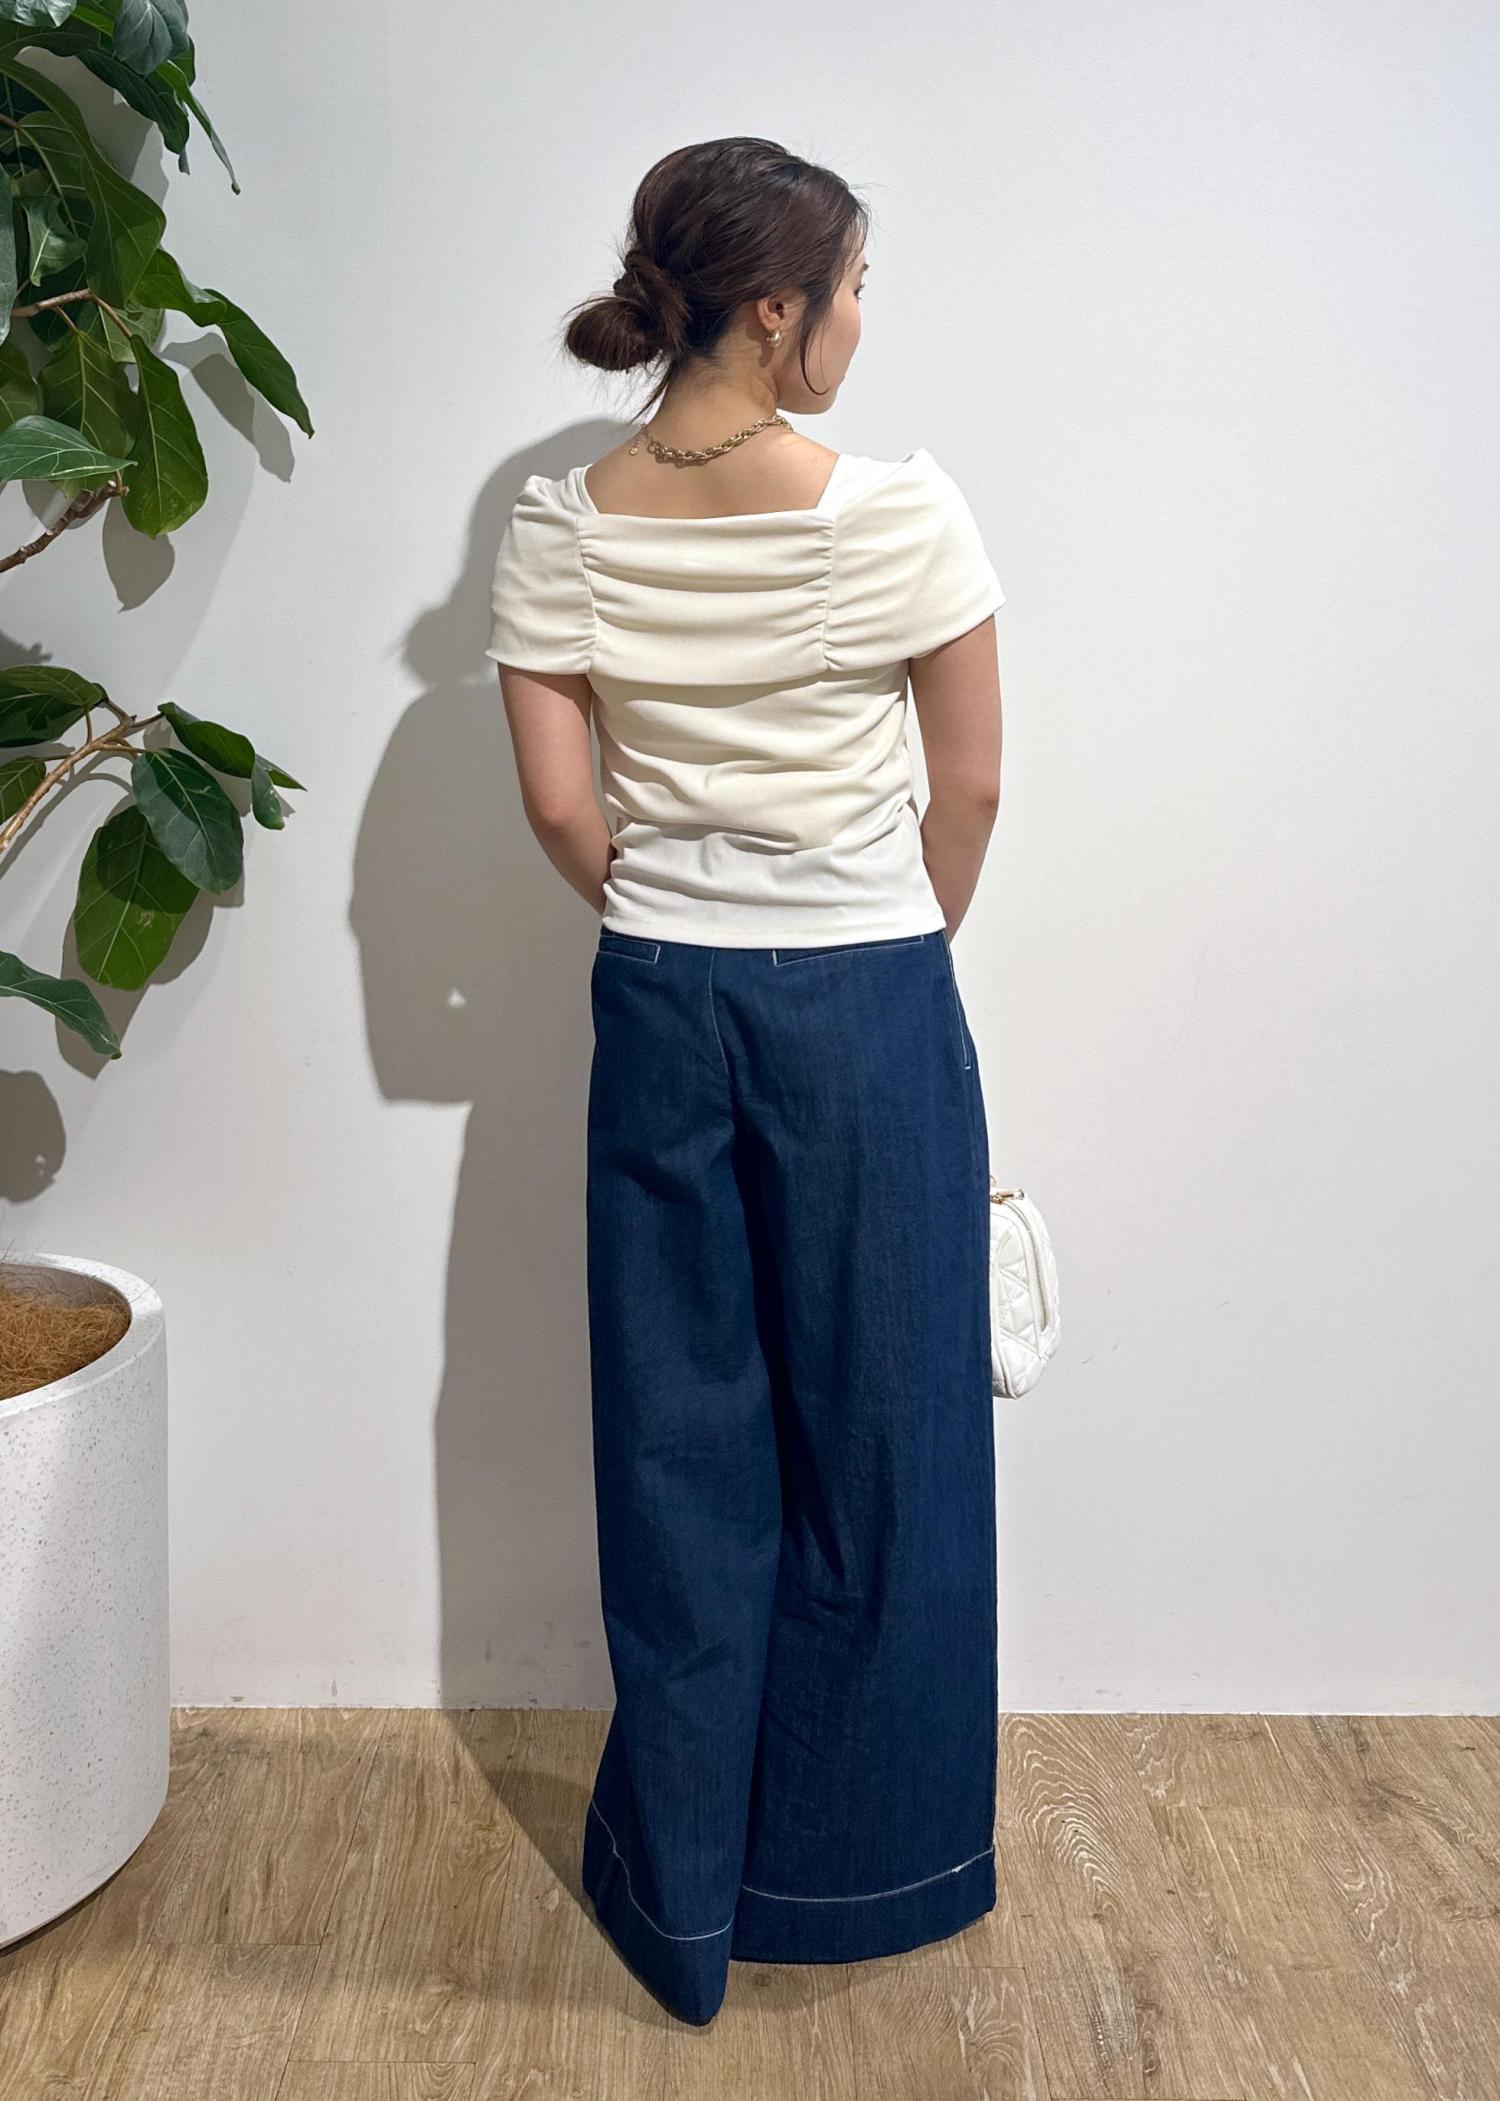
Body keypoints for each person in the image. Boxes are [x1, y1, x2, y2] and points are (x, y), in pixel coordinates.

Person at [486, 136, 1004, 2028]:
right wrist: (880, 938)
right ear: (777, 311)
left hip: (661, 1000)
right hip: (866, 997)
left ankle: (685, 1895)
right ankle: (862, 1875)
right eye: (853, 289)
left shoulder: (561, 523)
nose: (862, 321)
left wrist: (680, 909)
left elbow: (563, 806)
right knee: (888, 1441)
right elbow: (971, 787)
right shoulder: (898, 516)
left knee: (678, 1444)